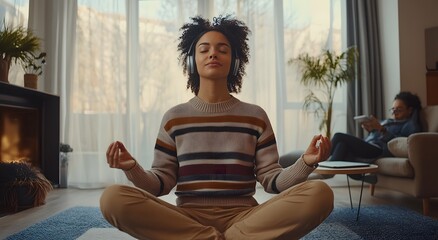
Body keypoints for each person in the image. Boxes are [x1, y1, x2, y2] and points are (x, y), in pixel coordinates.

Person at [100, 15, 333, 240]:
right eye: (204, 49)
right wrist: (132, 168)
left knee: (320, 194)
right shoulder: (174, 118)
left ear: (235, 62)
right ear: (192, 61)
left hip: (245, 219)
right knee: (112, 198)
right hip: (187, 219)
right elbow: (160, 184)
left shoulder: (255, 116)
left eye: (223, 50)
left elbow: (272, 181)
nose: (213, 53)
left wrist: (306, 163)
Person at [328, 91, 422, 182]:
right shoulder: (389, 121)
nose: (394, 112)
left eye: (399, 109)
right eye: (393, 109)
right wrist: (371, 130)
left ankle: (320, 162)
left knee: (338, 136)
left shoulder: (410, 125)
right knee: (342, 144)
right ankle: (328, 172)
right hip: (370, 145)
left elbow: (400, 144)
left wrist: (381, 129)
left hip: (379, 150)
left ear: (410, 110)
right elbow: (376, 135)